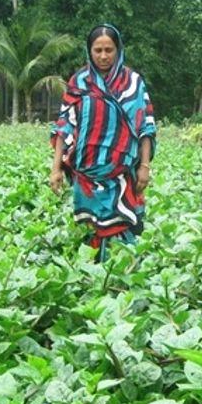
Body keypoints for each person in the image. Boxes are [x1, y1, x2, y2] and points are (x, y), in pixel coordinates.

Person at [50, 24, 155, 261]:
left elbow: (145, 125)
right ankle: (94, 279)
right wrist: (56, 168)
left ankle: (124, 275)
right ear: (90, 51)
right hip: (86, 173)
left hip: (122, 172)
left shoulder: (133, 83)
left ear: (118, 50)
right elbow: (64, 126)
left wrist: (145, 167)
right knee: (92, 229)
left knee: (123, 225)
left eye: (109, 50)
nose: (104, 56)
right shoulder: (79, 82)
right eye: (98, 50)